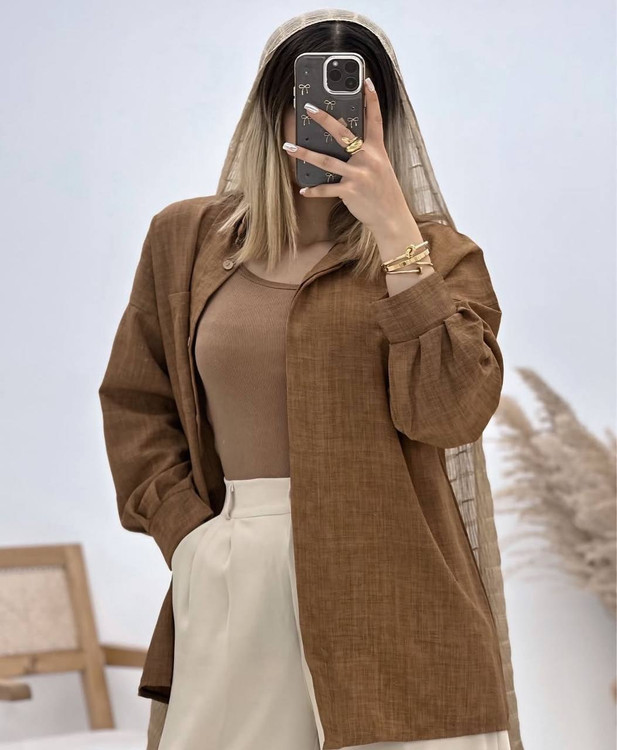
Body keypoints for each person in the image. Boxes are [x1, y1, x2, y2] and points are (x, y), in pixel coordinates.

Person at [99, 9, 523, 750]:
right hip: (237, 584)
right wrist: (190, 537)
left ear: (387, 122)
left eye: (354, 109)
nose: (331, 126)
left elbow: (450, 414)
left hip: (400, 590)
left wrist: (396, 236)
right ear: (270, 113)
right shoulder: (187, 240)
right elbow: (138, 401)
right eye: (308, 103)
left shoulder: (441, 258)